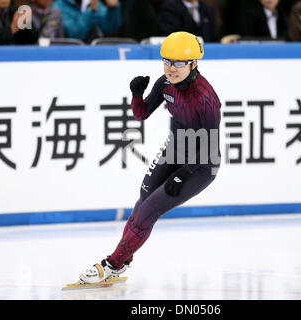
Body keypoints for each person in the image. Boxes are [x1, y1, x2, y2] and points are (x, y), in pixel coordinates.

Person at [78, 31, 222, 284]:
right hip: (175, 150)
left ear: (194, 63)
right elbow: (141, 114)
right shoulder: (164, 84)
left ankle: (113, 263)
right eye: (166, 61)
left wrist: (183, 176)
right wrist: (136, 94)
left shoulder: (206, 98)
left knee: (150, 210)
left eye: (178, 63)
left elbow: (209, 145)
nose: (171, 68)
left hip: (200, 164)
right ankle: (123, 260)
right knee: (141, 203)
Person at [52, 0, 122, 42]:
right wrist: (91, 11)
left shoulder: (93, 3)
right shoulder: (59, 5)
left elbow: (110, 28)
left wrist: (113, 9)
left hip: (95, 53)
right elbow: (74, 35)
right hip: (70, 55)